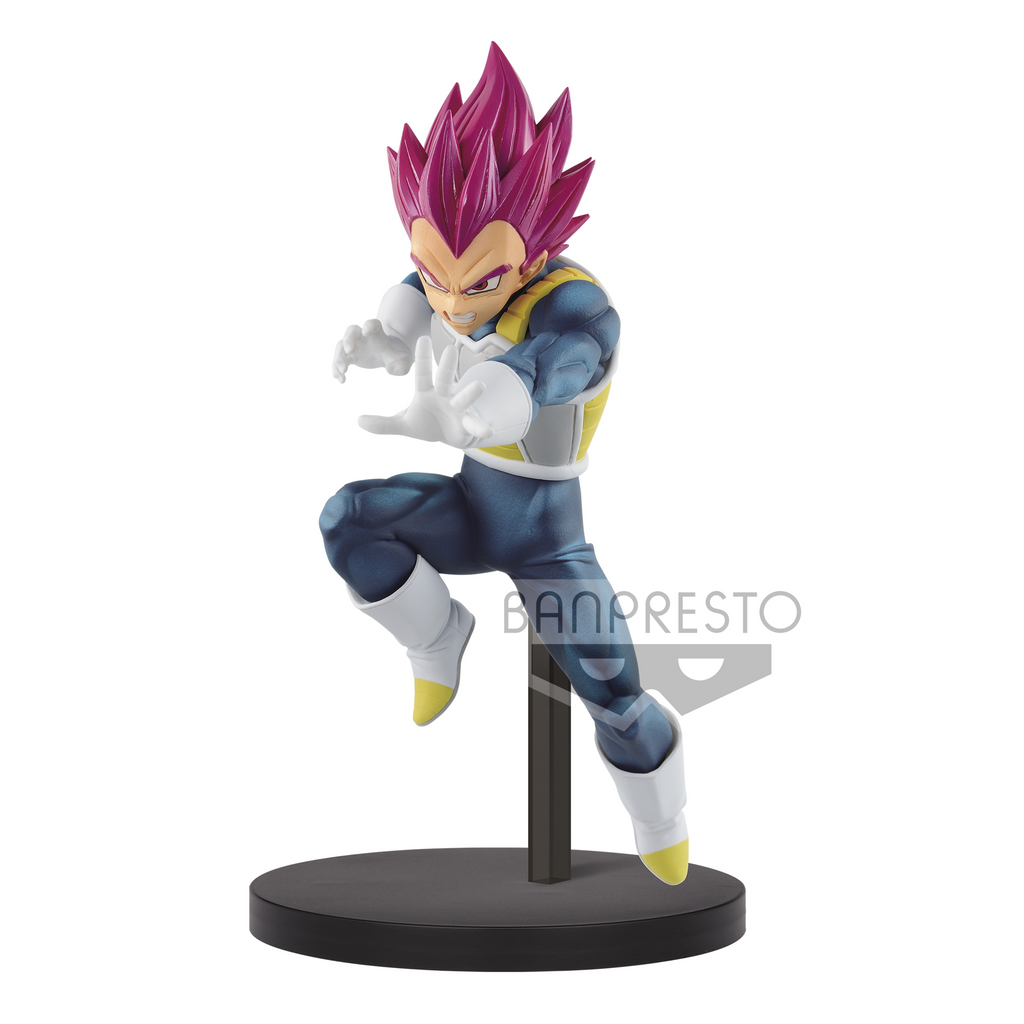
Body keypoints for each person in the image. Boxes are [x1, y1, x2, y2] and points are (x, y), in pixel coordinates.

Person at [319, 43, 688, 884]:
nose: (454, 300)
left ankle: (661, 820)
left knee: (615, 698)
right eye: (432, 272)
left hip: (548, 537)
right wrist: (386, 340)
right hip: (469, 504)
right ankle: (437, 639)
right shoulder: (445, 268)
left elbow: (544, 371)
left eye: (477, 281)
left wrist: (476, 407)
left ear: (532, 249)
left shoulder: (576, 309)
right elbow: (416, 310)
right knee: (349, 520)